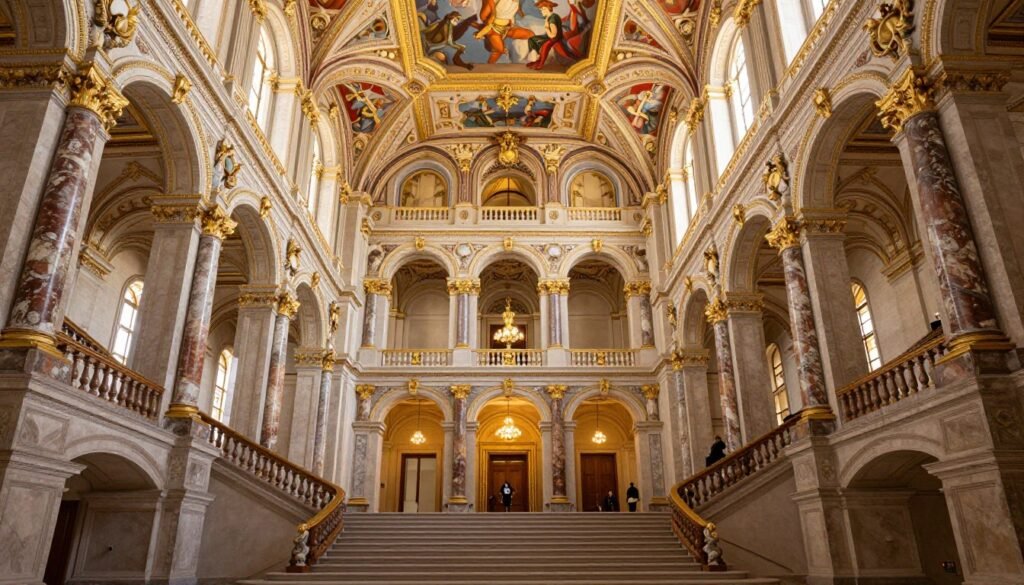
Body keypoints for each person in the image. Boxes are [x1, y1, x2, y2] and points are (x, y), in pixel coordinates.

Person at [526, 0, 581, 70]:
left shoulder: (552, 19)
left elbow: (553, 35)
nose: (541, 11)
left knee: (545, 45)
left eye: (542, 9)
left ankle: (540, 63)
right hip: (550, 36)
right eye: (540, 9)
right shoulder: (550, 16)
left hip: (554, 38)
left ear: (547, 9)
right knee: (532, 39)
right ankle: (535, 59)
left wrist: (546, 27)